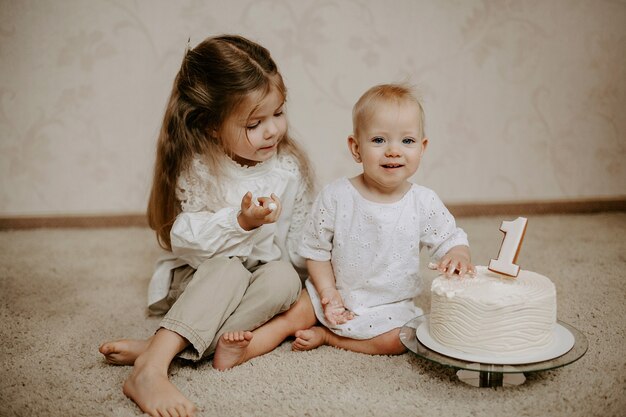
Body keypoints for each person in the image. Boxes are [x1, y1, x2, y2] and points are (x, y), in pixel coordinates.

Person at [98, 34, 314, 417]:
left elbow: (297, 240)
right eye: (254, 123)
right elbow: (186, 240)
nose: (272, 131)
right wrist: (240, 221)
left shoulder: (287, 167)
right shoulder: (202, 167)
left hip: (259, 277)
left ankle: (160, 345)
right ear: (212, 126)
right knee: (229, 269)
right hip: (203, 277)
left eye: (278, 113)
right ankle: (150, 370)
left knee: (285, 279)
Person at [211, 83, 475, 369]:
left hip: (388, 305)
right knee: (291, 315)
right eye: (378, 140)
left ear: (422, 148)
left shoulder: (423, 202)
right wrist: (327, 294)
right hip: (332, 292)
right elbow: (316, 250)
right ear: (356, 148)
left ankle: (329, 338)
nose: (393, 151)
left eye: (407, 141)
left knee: (401, 339)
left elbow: (449, 238)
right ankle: (243, 350)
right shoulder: (337, 196)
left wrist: (458, 255)